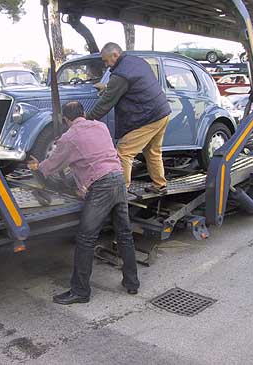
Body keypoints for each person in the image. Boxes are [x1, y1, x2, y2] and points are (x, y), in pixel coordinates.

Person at [28, 101, 140, 305]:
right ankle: (132, 283)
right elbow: (92, 157)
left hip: (102, 186)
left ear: (65, 119)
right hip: (118, 179)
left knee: (85, 239)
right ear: (84, 113)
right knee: (124, 234)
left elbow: (50, 167)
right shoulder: (101, 126)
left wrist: (37, 166)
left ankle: (80, 291)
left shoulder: (69, 137)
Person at [86, 42, 172, 193]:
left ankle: (120, 191)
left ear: (115, 55)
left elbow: (105, 104)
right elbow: (135, 85)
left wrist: (86, 119)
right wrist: (108, 88)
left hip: (149, 116)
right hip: (162, 111)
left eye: (106, 61)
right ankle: (160, 185)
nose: (106, 65)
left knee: (124, 151)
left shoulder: (121, 74)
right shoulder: (135, 61)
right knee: (153, 151)